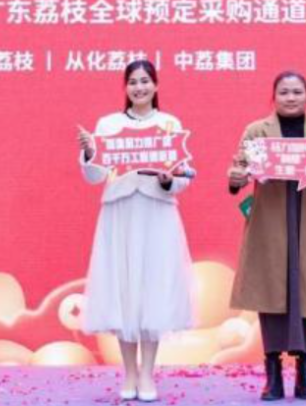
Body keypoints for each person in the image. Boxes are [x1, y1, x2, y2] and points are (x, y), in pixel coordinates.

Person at [227, 71, 306, 401]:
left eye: (297, 91)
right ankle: (272, 375)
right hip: (270, 223)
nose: (290, 97)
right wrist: (236, 177)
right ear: (273, 97)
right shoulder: (256, 132)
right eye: (284, 92)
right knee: (270, 294)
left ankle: (305, 375)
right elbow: (239, 172)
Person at [77, 60, 195, 402]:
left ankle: (147, 374)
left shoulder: (170, 124)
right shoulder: (108, 124)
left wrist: (170, 180)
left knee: (152, 291)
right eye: (133, 82)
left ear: (156, 85)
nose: (139, 88)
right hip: (120, 212)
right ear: (125, 87)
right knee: (123, 291)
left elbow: (183, 176)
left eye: (145, 81)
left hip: (157, 212)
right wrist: (89, 152)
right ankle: (129, 372)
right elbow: (95, 176)